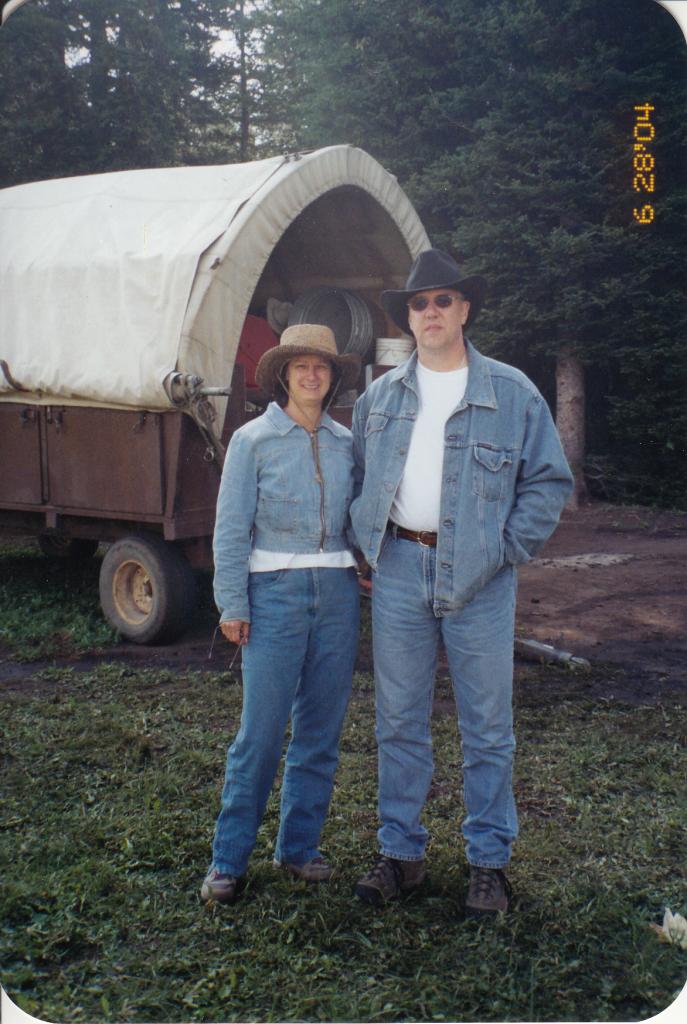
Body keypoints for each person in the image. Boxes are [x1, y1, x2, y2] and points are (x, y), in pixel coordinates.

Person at [350, 249, 573, 916]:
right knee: (397, 722)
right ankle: (401, 855)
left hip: (480, 579)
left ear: (465, 309)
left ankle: (488, 865)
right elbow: (362, 477)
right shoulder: (378, 397)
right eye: (419, 304)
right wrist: (366, 545)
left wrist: (504, 549)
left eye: (443, 300)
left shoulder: (511, 392)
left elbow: (546, 481)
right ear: (408, 318)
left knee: (486, 726)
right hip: (396, 573)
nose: (431, 313)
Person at [201, 323, 361, 904]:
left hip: (339, 595)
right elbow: (230, 529)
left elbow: (360, 517)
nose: (312, 374)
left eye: (321, 365)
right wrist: (232, 603)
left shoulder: (347, 444)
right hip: (273, 597)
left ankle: (298, 848)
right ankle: (228, 860)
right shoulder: (252, 441)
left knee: (320, 730)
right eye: (301, 366)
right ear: (283, 376)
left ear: (332, 375)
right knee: (261, 733)